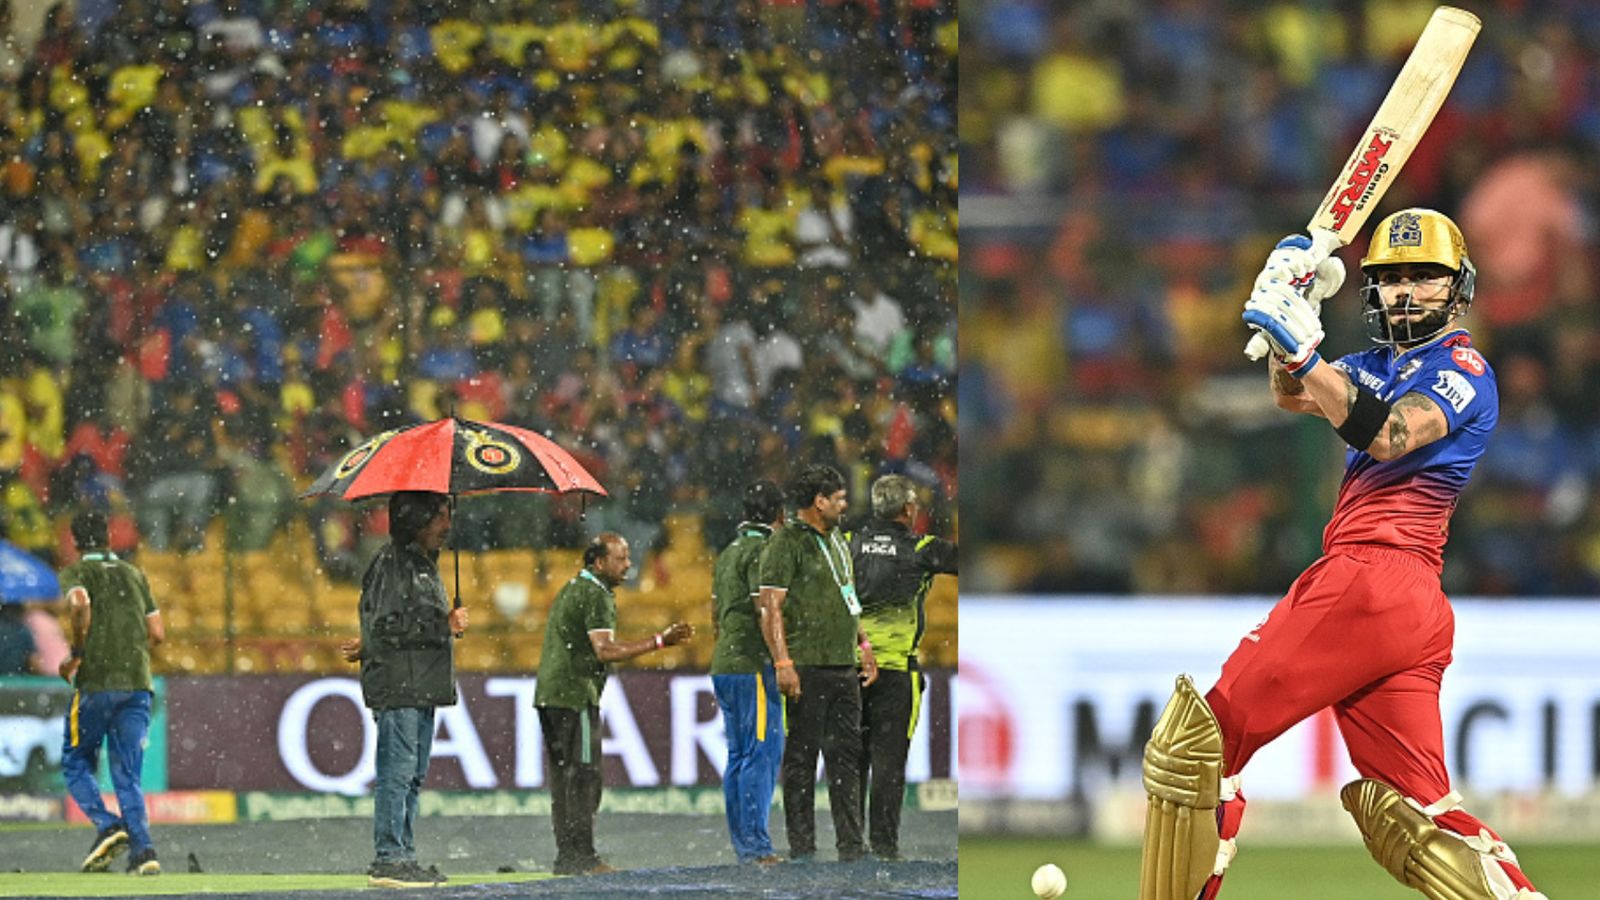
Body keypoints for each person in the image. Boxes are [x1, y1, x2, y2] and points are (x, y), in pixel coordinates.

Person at [1136, 210, 1546, 900]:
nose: (1407, 292)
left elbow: (1387, 433)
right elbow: (1293, 392)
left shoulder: (1463, 367)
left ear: (1459, 287)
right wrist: (1288, 308)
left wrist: (1301, 349)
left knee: (1195, 747)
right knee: (1419, 819)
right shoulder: (1376, 364)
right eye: (1391, 279)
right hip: (1404, 605)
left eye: (1425, 278)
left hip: (1371, 577)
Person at [534, 532, 693, 875]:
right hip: (576, 696)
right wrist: (659, 641)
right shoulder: (596, 594)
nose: (628, 565)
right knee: (586, 776)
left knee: (564, 779)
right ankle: (582, 856)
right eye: (620, 558)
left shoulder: (574, 586)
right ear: (599, 562)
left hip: (551, 694)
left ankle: (568, 856)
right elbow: (604, 650)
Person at [340, 491, 469, 889]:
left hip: (421, 684)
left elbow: (385, 626)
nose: (447, 526)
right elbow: (385, 626)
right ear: (417, 521)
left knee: (411, 775)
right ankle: (388, 858)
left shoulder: (421, 565)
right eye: (440, 518)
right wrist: (442, 625)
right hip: (400, 684)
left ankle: (404, 855)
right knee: (397, 774)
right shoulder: (392, 564)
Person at [758, 464, 878, 862]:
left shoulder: (840, 540)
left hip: (843, 665)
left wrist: (863, 642)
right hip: (805, 666)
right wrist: (783, 663)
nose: (845, 505)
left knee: (847, 758)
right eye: (839, 499)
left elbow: (848, 597)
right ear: (819, 501)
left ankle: (851, 845)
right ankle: (803, 847)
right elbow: (769, 608)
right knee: (802, 760)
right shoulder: (785, 542)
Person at [847, 474, 958, 860]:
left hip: (852, 670)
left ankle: (850, 844)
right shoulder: (922, 548)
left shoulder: (849, 543)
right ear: (908, 509)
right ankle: (884, 847)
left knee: (853, 760)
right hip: (896, 674)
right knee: (888, 762)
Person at [56, 508, 165, 875]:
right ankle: (144, 851)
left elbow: (80, 603)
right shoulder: (135, 574)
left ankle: (108, 825)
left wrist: (77, 652)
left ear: (74, 541)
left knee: (75, 761)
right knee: (127, 773)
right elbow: (158, 634)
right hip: (137, 683)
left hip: (96, 682)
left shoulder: (77, 571)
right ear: (107, 537)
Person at [709, 479, 786, 865]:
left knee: (738, 755)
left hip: (725, 663)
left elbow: (714, 614)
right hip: (753, 665)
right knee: (761, 753)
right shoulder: (763, 549)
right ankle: (756, 847)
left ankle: (744, 844)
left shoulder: (727, 552)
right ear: (780, 515)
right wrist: (782, 659)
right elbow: (765, 608)